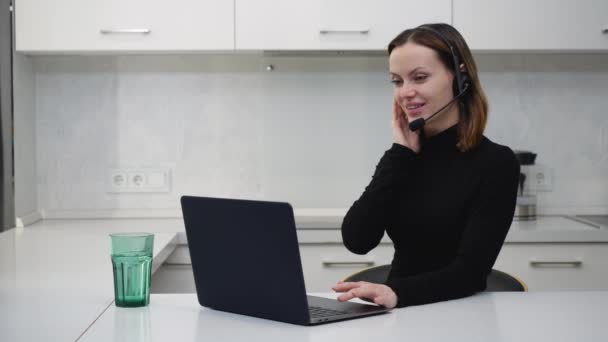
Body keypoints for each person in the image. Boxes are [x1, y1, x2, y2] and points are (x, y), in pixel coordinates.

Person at [332, 23, 520, 309]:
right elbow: (357, 239)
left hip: (460, 315)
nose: (405, 92)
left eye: (419, 77)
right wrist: (399, 154)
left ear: (459, 76)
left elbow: (469, 272)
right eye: (397, 81)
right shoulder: (402, 158)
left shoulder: (496, 163)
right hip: (395, 314)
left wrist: (396, 293)